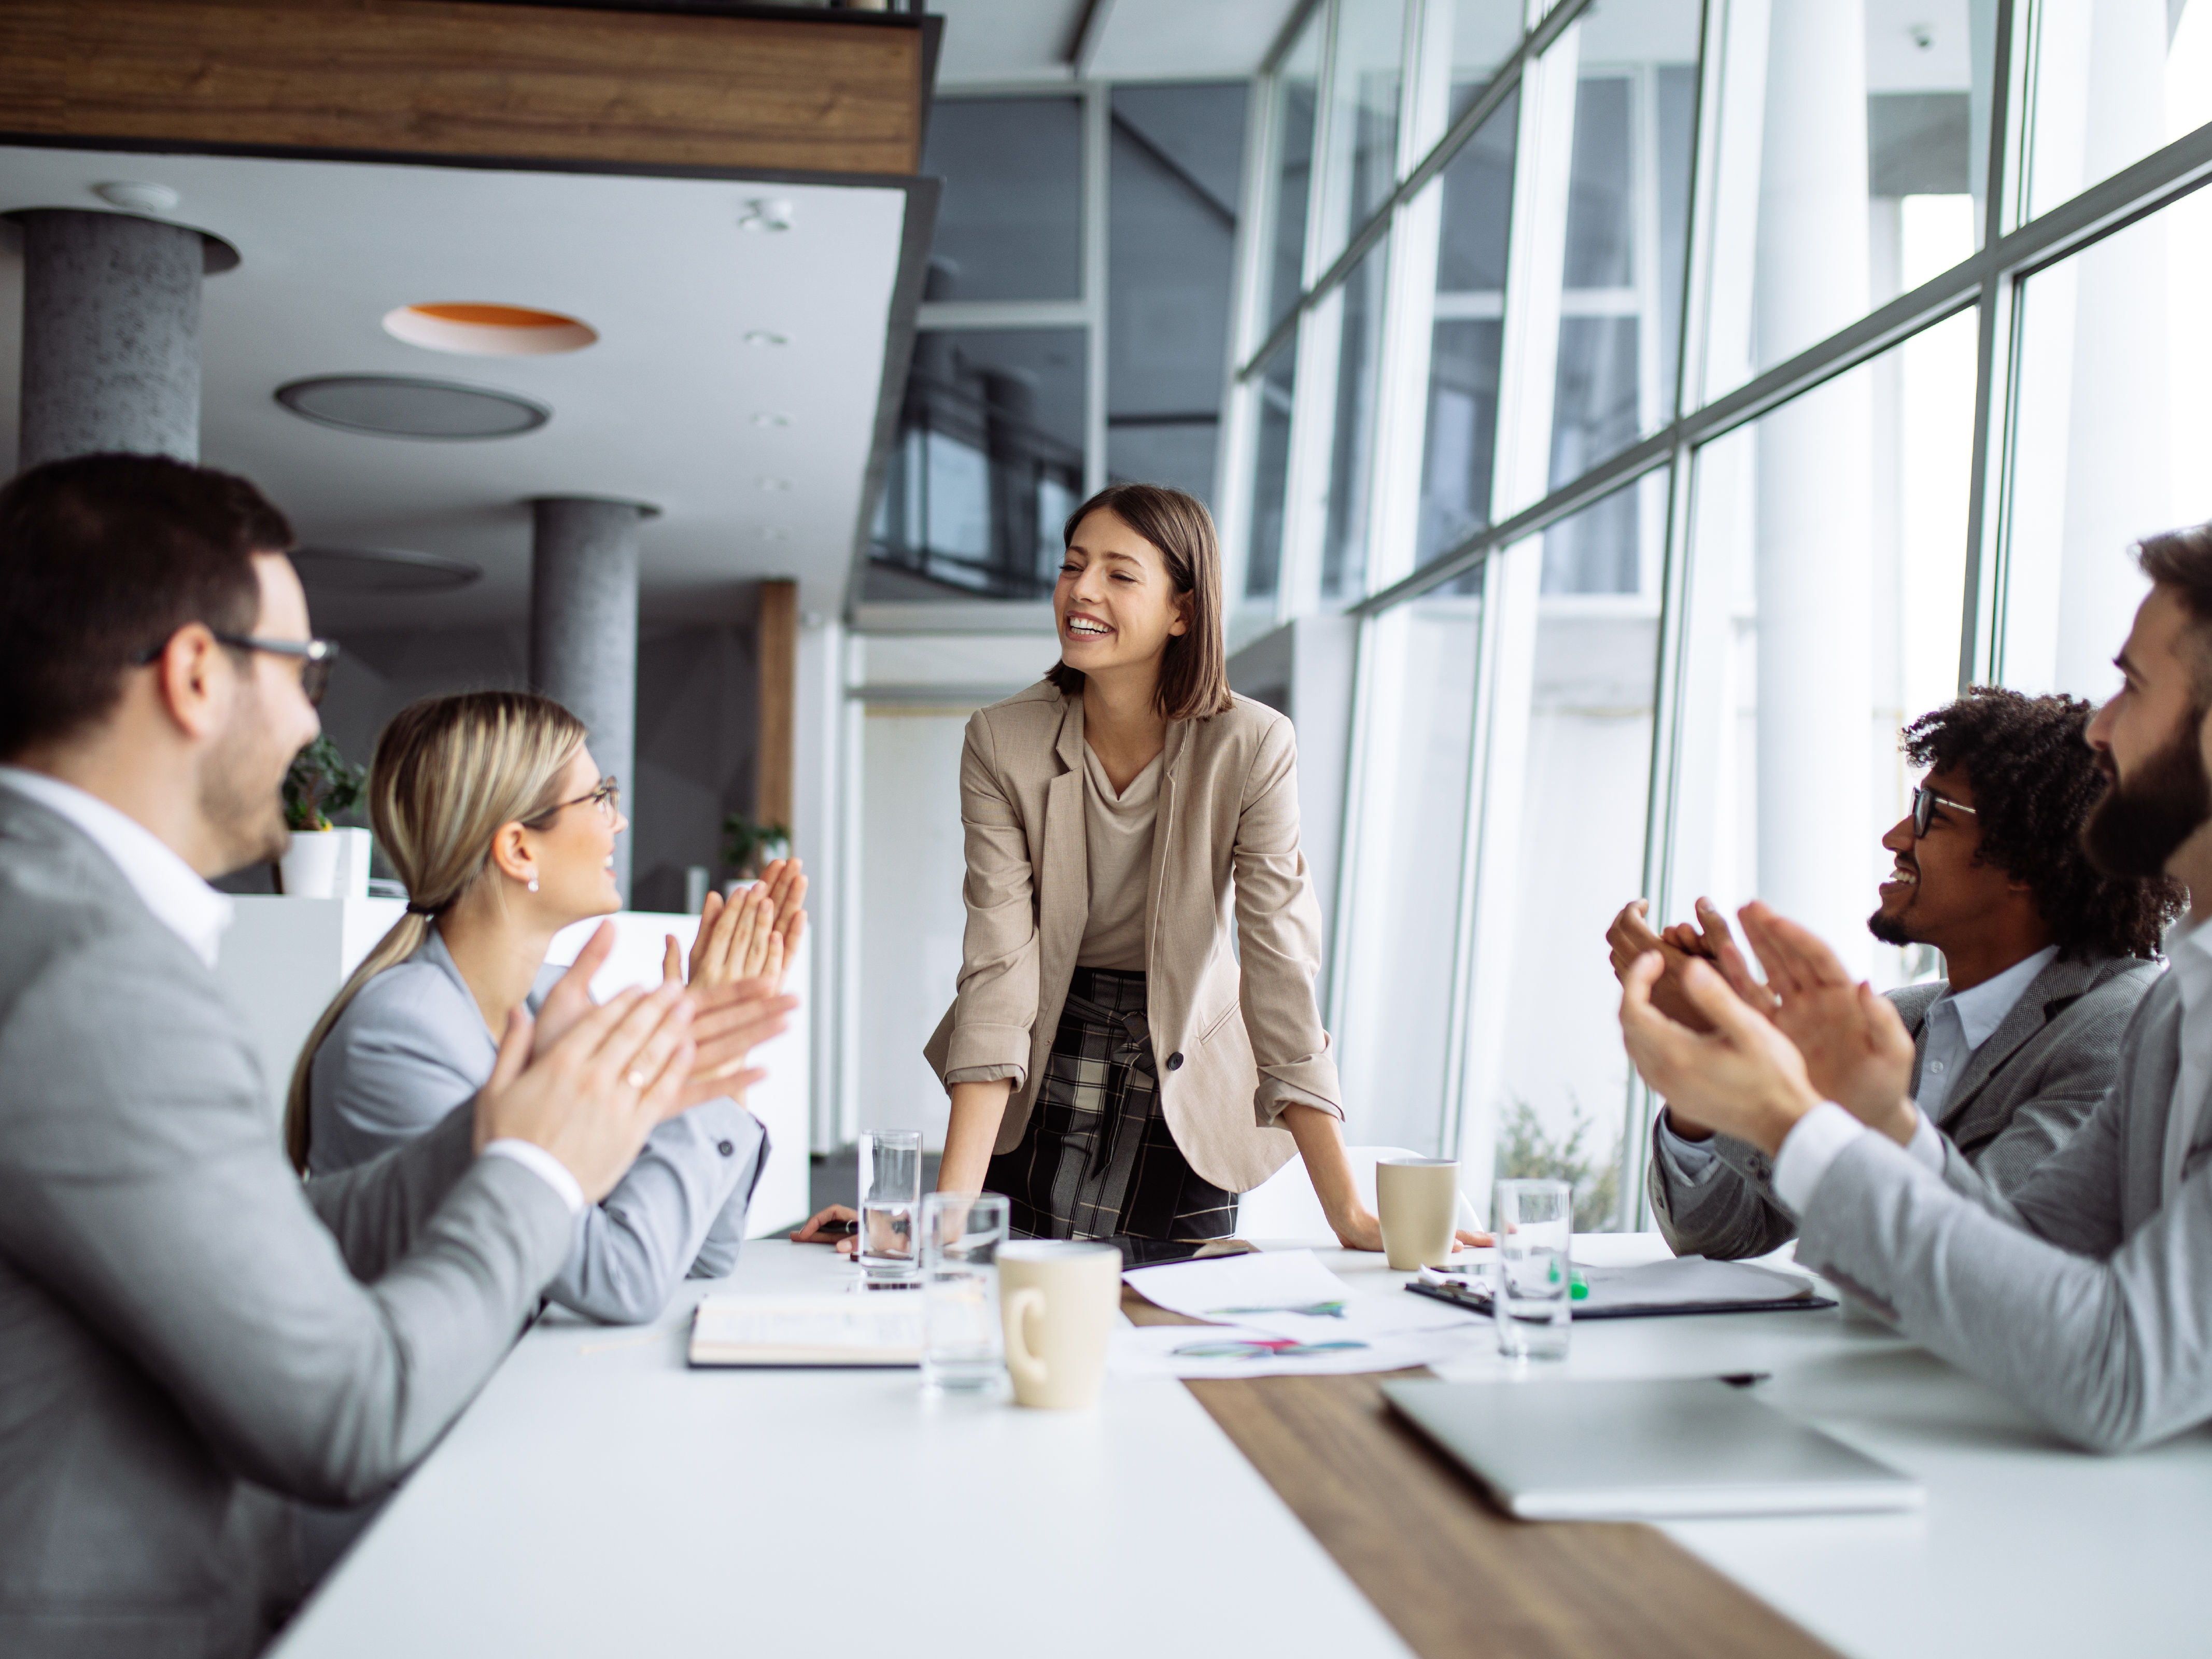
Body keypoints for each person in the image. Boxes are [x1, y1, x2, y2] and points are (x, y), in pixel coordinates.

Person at [0, 453, 765, 1654]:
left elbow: (273, 1233)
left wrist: (511, 1129)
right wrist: (533, 1170)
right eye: (303, 672)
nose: (314, 720)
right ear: (196, 673)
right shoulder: (89, 972)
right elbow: (348, 1412)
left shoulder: (58, 922)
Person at [1616, 524, 2212, 1452]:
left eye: (2132, 685)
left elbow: (2119, 1371)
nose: (2100, 726)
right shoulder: (2182, 1005)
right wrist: (1872, 1120)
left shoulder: (2126, 1012)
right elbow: (2022, 1249)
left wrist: (1796, 1120)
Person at [800, 484, 1477, 1250]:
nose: (1080, 590)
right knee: (1007, 1306)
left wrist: (1348, 1215)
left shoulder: (1251, 745)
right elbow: (999, 972)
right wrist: (946, 1216)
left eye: (1119, 575)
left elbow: (1279, 970)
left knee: (1176, 1322)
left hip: (1187, 1078)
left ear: (1182, 610)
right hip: (1045, 1050)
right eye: (1071, 565)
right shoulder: (1000, 741)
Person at [1611, 687, 2181, 1259]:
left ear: (2026, 860)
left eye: (1931, 813)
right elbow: (1713, 1234)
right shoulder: (1897, 1021)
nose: (1896, 837)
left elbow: (1993, 1258)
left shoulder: (2123, 1026)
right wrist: (1713, 1047)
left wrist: (1748, 1046)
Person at [293, 691, 804, 1323]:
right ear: (518, 850)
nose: (617, 821)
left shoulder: (548, 1004)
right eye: (598, 797)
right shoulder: (400, 1036)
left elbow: (702, 1250)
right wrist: (692, 1048)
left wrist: (720, 1041)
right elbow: (623, 1275)